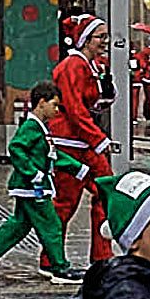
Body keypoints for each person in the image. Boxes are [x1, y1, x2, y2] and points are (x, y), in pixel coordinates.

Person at [0, 82, 77, 284]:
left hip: (32, 185)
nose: (56, 110)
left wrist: (76, 168)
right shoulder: (32, 126)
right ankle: (60, 268)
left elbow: (49, 154)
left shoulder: (39, 127)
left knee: (19, 226)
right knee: (51, 225)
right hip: (33, 187)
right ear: (41, 103)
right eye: (54, 105)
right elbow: (16, 148)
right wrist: (32, 172)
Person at [48, 13, 116, 267]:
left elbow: (86, 105)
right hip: (70, 141)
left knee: (104, 191)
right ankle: (53, 259)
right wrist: (98, 139)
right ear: (86, 40)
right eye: (101, 37)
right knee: (65, 202)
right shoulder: (73, 66)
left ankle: (101, 255)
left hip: (81, 141)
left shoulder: (89, 66)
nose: (105, 42)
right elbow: (74, 107)